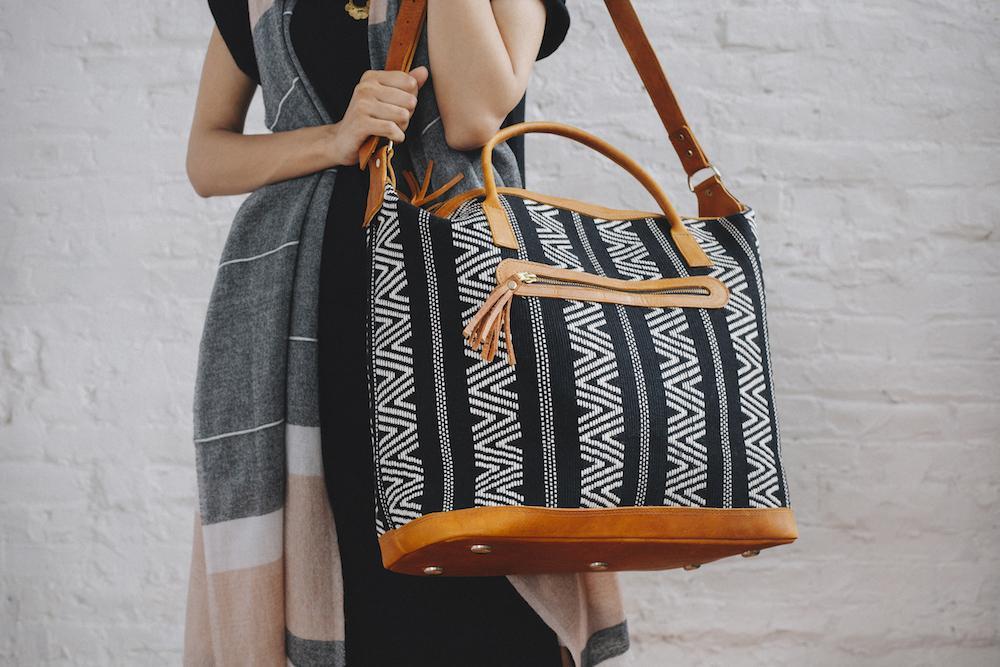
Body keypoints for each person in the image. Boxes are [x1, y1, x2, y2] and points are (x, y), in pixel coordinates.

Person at [185, 1, 571, 664]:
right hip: (313, 335)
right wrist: (335, 138)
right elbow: (207, 157)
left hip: (469, 333)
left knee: (491, 588)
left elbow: (475, 116)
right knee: (356, 596)